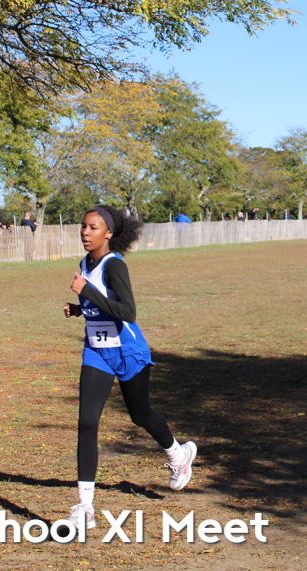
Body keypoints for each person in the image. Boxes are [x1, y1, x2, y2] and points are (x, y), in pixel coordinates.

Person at [63, 205, 197, 529]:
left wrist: (87, 292)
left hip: (127, 351)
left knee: (140, 414)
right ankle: (85, 508)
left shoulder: (114, 264)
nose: (85, 232)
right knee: (86, 422)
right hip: (96, 352)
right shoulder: (85, 263)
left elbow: (127, 312)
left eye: (93, 227)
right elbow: (99, 305)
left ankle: (178, 455)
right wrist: (80, 309)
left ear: (108, 233)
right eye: (83, 226)